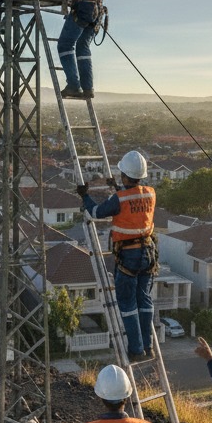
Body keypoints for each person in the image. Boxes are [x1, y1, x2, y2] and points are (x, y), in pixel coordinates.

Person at [77, 150, 157, 363]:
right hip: (149, 254)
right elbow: (133, 202)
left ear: (124, 175)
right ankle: (148, 348)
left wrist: (84, 195)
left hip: (129, 256)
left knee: (127, 302)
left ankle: (136, 350)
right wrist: (119, 189)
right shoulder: (150, 192)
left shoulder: (119, 199)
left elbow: (95, 212)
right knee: (144, 300)